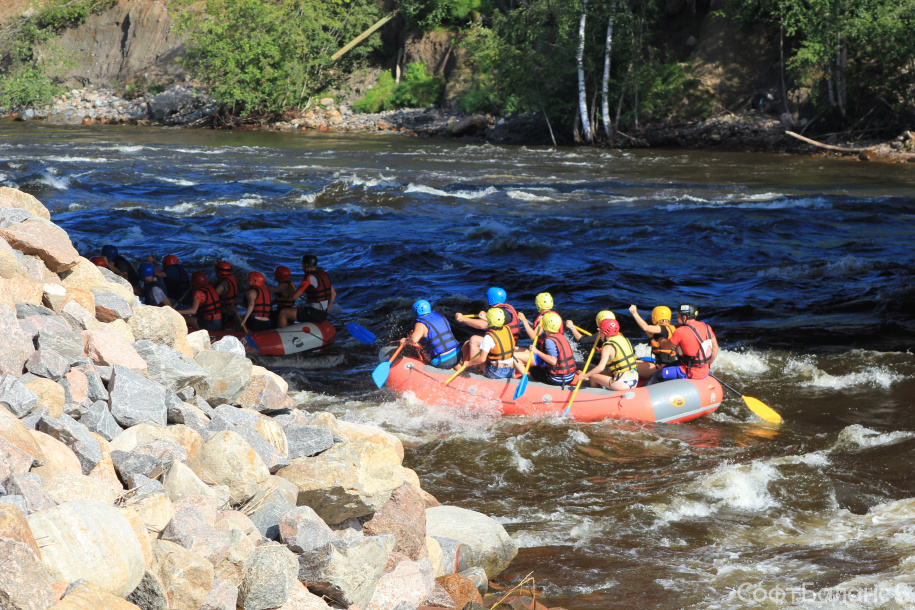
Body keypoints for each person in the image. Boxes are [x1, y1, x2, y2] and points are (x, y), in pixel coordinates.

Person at [649, 303, 719, 384]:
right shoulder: (706, 327)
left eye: (678, 316)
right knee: (667, 367)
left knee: (655, 376)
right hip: (705, 370)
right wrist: (706, 366)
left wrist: (660, 339)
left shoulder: (680, 331)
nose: (676, 319)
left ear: (684, 317)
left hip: (688, 372)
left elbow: (665, 346)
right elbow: (715, 348)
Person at [454, 286, 521, 356]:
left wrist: (463, 319)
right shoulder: (506, 308)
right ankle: (461, 364)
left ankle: (477, 365)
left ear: (491, 299)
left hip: (505, 343)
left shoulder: (498, 313)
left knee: (474, 339)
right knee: (467, 343)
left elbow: (482, 325)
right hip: (506, 340)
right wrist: (487, 316)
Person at [578, 319, 639, 391]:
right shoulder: (624, 339)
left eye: (600, 331)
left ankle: (597, 395)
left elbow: (600, 368)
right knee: (606, 373)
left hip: (622, 383)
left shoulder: (607, 347)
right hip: (635, 378)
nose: (599, 333)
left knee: (593, 377)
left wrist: (585, 375)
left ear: (604, 332)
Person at [277, 254, 336, 328]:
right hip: (323, 314)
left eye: (303, 265)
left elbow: (294, 297)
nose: (302, 267)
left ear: (306, 265)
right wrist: (326, 311)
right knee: (296, 309)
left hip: (314, 314)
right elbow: (333, 294)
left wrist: (287, 291)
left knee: (283, 312)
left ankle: (282, 335)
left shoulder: (309, 277)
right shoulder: (324, 275)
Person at [402, 299, 461, 370]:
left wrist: (405, 340)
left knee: (422, 351)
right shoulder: (440, 316)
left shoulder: (420, 323)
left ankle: (444, 371)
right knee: (448, 354)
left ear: (415, 311)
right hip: (458, 354)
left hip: (442, 361)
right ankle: (459, 370)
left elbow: (414, 340)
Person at [462, 307, 517, 379]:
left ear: (489, 320)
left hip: (497, 373)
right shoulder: (507, 329)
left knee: (479, 364)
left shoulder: (489, 337)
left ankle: (474, 372)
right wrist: (486, 318)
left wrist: (469, 363)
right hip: (511, 370)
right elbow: (495, 324)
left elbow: (482, 359)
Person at [526, 311, 576, 386]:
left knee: (533, 370)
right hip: (571, 376)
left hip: (558, 379)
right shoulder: (561, 336)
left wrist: (536, 351)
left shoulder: (549, 340)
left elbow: (553, 361)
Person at [628, 304, 678, 379]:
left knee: (628, 365)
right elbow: (650, 333)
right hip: (670, 364)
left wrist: (634, 313)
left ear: (654, 317)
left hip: (662, 367)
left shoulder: (661, 328)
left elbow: (645, 327)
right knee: (635, 361)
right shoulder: (672, 328)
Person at [514, 292, 562, 368]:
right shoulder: (553, 315)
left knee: (513, 356)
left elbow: (533, 336)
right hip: (544, 353)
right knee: (513, 349)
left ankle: (527, 376)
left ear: (539, 305)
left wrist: (524, 321)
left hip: (544, 358)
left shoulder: (545, 319)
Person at [213, 261, 239, 327]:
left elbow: (213, 295)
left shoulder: (223, 283)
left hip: (226, 311)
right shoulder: (231, 278)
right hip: (232, 309)